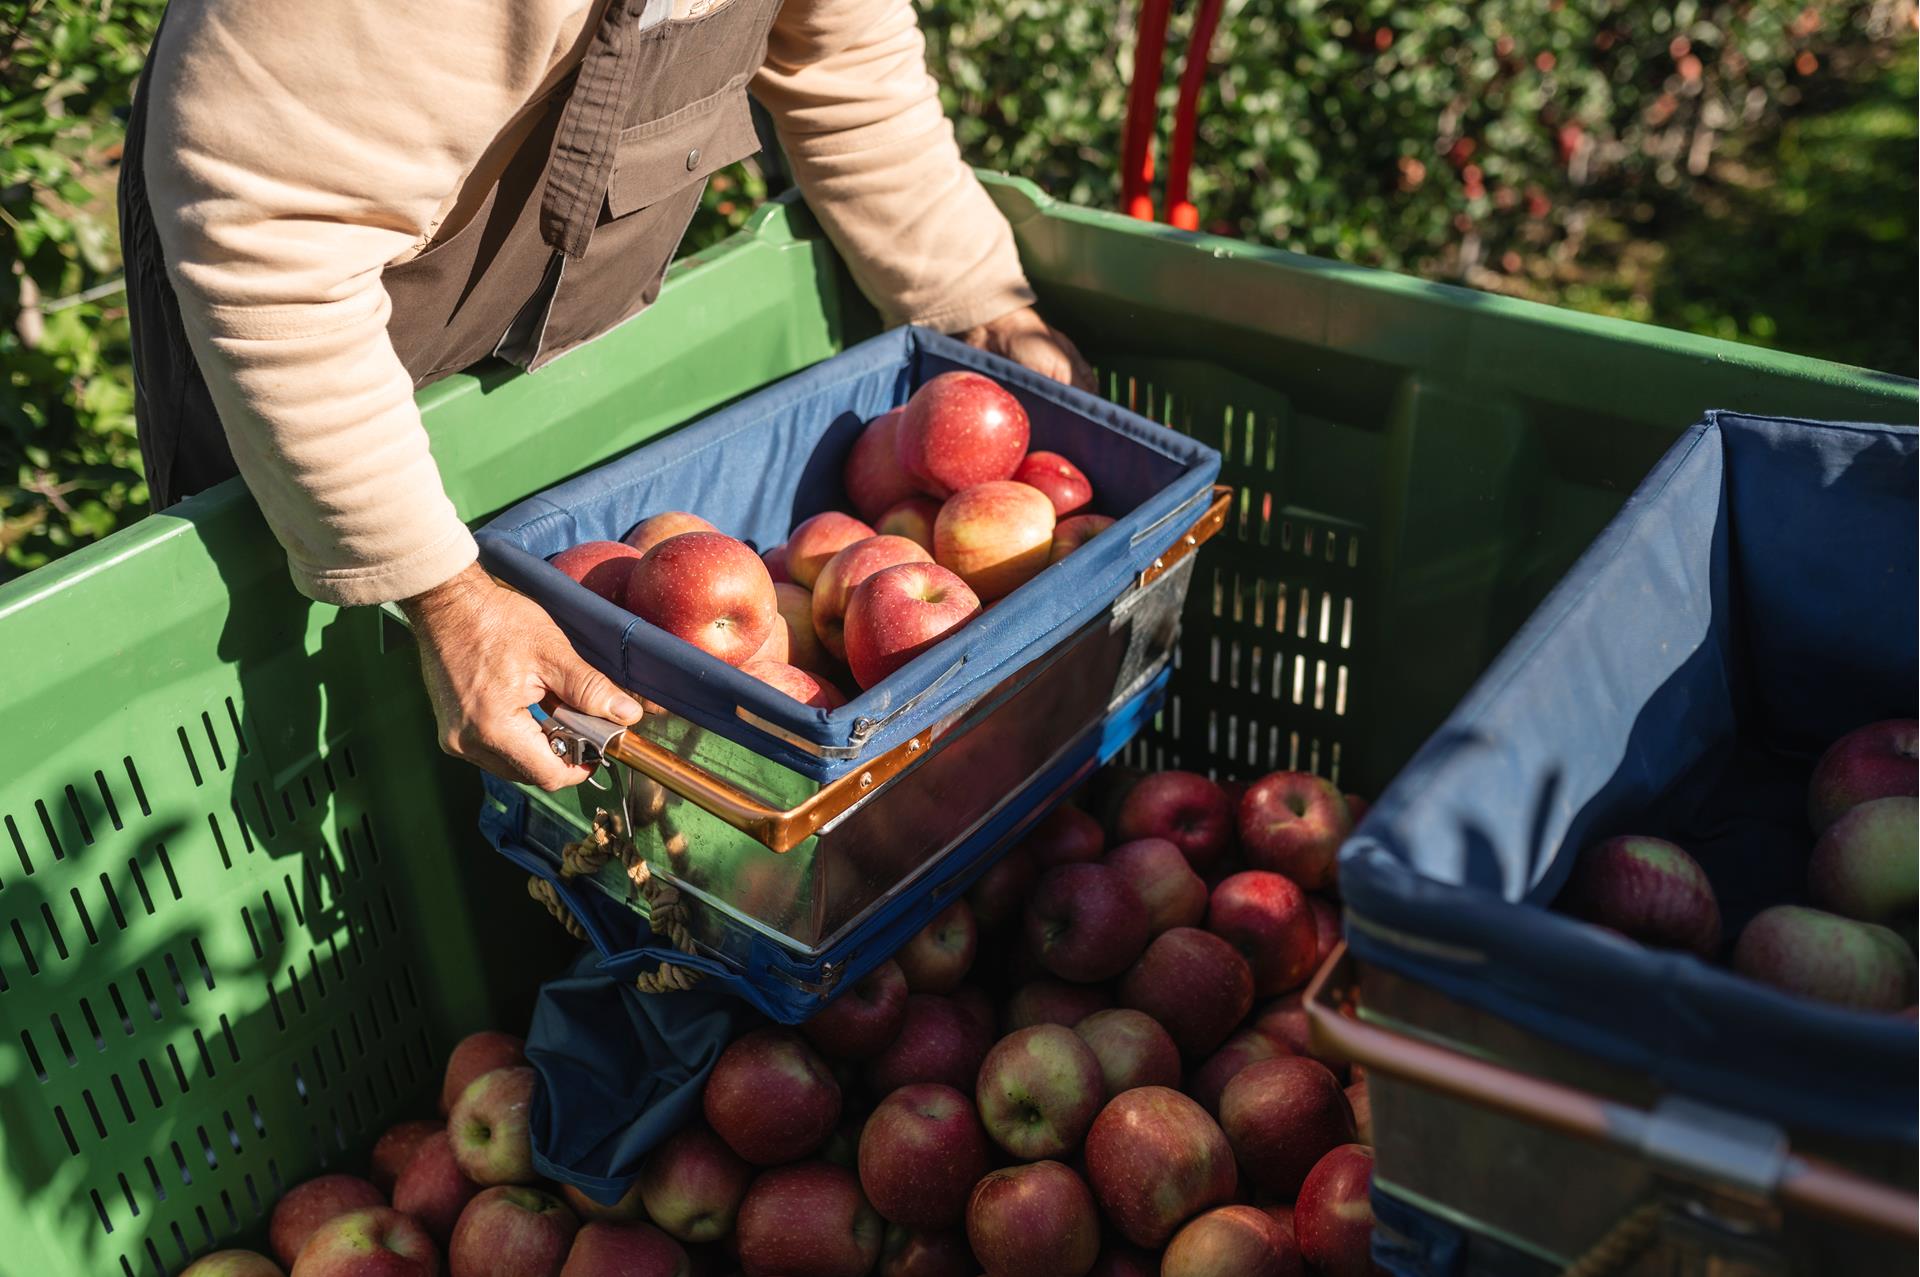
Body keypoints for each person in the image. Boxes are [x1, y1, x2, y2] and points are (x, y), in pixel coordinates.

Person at [122, 0, 1092, 792]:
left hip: (542, 343)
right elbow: (272, 247)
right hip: (307, 352)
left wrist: (979, 298)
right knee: (342, 743)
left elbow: (844, 63)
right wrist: (443, 595)